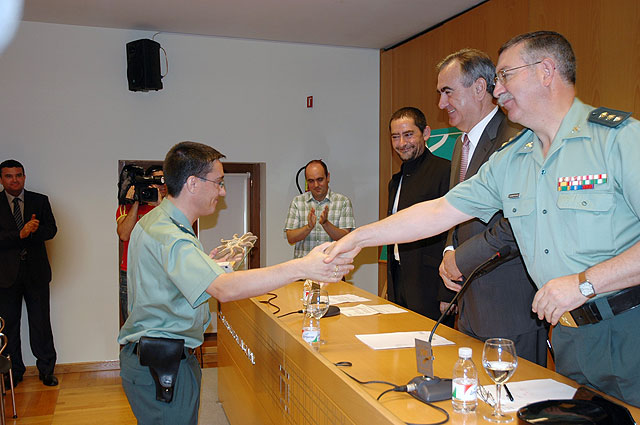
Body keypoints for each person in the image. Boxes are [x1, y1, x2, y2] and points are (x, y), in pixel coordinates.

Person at [326, 31, 640, 407]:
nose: (497, 89)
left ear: (546, 71)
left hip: (627, 328)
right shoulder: (513, 158)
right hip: (570, 337)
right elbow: (440, 211)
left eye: (506, 75)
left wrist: (585, 284)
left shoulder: (618, 140)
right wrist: (358, 238)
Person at [118, 142, 353, 424]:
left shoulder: (158, 221)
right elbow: (224, 289)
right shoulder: (172, 235)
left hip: (160, 358)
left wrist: (208, 266)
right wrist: (301, 267)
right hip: (162, 363)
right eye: (218, 183)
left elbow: (170, 280)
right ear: (193, 183)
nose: (223, 191)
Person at [435, 48, 547, 365]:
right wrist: (448, 252)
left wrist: (462, 259)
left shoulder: (517, 138)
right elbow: (457, 206)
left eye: (448, 92)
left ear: (480, 88)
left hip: (509, 307)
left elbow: (515, 223)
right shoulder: (461, 144)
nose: (442, 104)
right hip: (469, 303)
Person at [387, 107, 452, 322]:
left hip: (431, 286)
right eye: (395, 137)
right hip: (399, 281)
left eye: (408, 135)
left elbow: (453, 233)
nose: (401, 143)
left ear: (425, 134)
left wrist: (448, 293)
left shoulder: (445, 172)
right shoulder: (395, 181)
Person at [0, 159, 58, 387]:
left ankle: (46, 369)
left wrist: (33, 231)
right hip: (6, 275)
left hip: (36, 273)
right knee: (9, 326)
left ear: (24, 176)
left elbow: (51, 230)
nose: (15, 180)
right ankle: (13, 372)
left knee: (41, 323)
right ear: (2, 179)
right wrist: (20, 234)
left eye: (18, 175)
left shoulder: (39, 201)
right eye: (9, 176)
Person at [116, 164, 167, 325]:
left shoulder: (171, 209)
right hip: (131, 273)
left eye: (162, 181)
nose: (160, 186)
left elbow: (170, 233)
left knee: (159, 323)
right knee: (132, 325)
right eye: (155, 182)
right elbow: (124, 234)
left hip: (159, 273)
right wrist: (137, 201)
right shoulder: (126, 207)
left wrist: (159, 204)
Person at [284, 159, 355, 258]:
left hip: (333, 267)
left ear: (328, 177)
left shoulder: (343, 202)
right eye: (311, 181)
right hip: (304, 269)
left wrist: (326, 224)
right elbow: (290, 238)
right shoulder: (298, 202)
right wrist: (308, 227)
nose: (316, 185)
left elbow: (346, 238)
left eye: (320, 179)